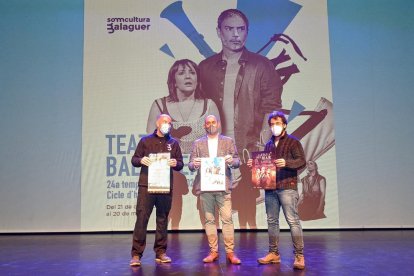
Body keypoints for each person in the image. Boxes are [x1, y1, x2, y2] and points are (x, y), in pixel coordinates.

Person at [199, 9, 283, 153]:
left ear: (247, 32)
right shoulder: (205, 67)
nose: (236, 34)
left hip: (252, 149)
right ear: (219, 32)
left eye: (241, 29)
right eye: (229, 29)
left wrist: (262, 146)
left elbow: (272, 108)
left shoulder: (262, 65)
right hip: (214, 150)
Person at [247, 111, 306, 270]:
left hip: (287, 186)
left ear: (285, 125)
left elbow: (302, 161)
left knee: (292, 221)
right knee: (272, 221)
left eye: (277, 123)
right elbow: (266, 165)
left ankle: (299, 255)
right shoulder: (268, 144)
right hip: (270, 188)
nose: (274, 127)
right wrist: (255, 164)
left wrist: (286, 162)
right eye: (272, 124)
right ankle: (274, 253)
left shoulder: (293, 142)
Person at [129, 114, 184, 266]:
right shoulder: (145, 140)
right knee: (142, 219)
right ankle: (136, 255)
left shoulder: (173, 143)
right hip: (147, 186)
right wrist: (141, 160)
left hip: (164, 186)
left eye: (170, 122)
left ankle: (160, 252)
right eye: (165, 122)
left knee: (162, 219)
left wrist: (175, 163)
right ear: (157, 123)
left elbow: (180, 164)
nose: (167, 124)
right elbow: (134, 160)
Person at [188, 115, 241, 264]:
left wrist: (232, 161)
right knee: (210, 221)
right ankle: (214, 251)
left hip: (222, 187)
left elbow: (237, 161)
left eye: (213, 122)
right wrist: (195, 164)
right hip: (205, 187)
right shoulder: (198, 143)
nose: (211, 125)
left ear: (218, 124)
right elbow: (190, 165)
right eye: (208, 123)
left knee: (227, 220)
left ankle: (230, 252)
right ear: (204, 126)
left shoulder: (228, 141)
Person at [147, 59, 220, 154]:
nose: (188, 76)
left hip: (201, 165)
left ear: (197, 81)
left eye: (192, 73)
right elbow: (151, 144)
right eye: (181, 73)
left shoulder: (210, 105)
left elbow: (217, 143)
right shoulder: (159, 105)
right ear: (174, 81)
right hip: (169, 165)